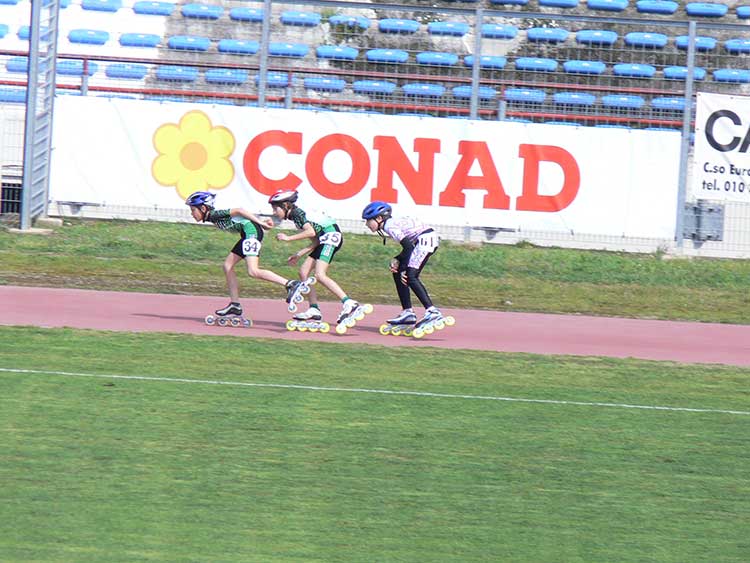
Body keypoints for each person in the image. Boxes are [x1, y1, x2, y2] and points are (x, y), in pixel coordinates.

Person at [185, 191, 303, 318]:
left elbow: (239, 211)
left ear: (203, 208)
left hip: (251, 233)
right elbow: (241, 219)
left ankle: (291, 284)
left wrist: (261, 223)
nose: (192, 213)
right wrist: (261, 222)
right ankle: (235, 305)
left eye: (193, 210)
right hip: (247, 233)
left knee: (253, 271)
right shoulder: (211, 217)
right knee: (227, 266)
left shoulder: (214, 215)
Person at [268, 189, 361, 325]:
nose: (274, 212)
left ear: (286, 205)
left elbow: (310, 232)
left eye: (275, 208)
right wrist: (299, 254)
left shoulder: (297, 214)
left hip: (331, 237)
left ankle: (349, 302)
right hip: (324, 239)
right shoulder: (296, 216)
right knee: (303, 272)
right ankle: (314, 309)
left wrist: (288, 238)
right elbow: (316, 240)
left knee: (320, 274)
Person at [361, 201, 444, 327]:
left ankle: (432, 312)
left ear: (379, 218)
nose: (366, 224)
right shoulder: (390, 223)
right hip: (423, 240)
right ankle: (407, 312)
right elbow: (408, 247)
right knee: (398, 271)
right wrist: (399, 261)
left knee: (411, 276)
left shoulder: (389, 226)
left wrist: (398, 259)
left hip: (425, 240)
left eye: (368, 220)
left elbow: (408, 247)